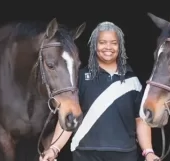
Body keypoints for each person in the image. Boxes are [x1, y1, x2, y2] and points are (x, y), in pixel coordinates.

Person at [40, 21, 159, 161]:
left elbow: (140, 120)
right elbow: (69, 116)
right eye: (102, 42)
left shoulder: (132, 80)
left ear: (120, 46)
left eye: (114, 43)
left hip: (125, 154)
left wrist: (148, 151)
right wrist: (54, 148)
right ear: (94, 45)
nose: (108, 47)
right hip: (85, 154)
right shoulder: (81, 78)